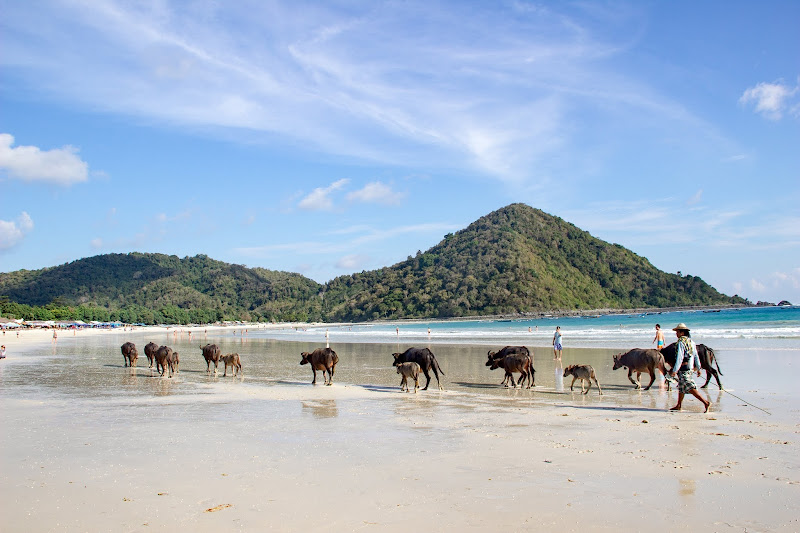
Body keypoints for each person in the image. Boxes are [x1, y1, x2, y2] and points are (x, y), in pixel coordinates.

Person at [669, 323, 710, 412]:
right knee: (681, 387)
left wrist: (675, 370)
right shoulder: (691, 342)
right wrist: (698, 368)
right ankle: (679, 405)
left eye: (677, 332)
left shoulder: (680, 343)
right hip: (690, 368)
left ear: (682, 332)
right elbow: (695, 356)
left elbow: (680, 357)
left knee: (689, 387)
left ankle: (705, 402)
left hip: (683, 368)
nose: (676, 334)